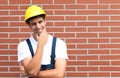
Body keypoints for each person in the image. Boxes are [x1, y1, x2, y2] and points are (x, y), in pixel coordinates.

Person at [17, 5, 68, 78]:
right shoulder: (23, 46)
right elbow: (32, 71)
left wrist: (29, 73)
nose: (38, 26)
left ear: (45, 22)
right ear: (29, 26)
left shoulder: (59, 43)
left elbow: (59, 74)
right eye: (33, 24)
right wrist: (40, 45)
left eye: (40, 22)